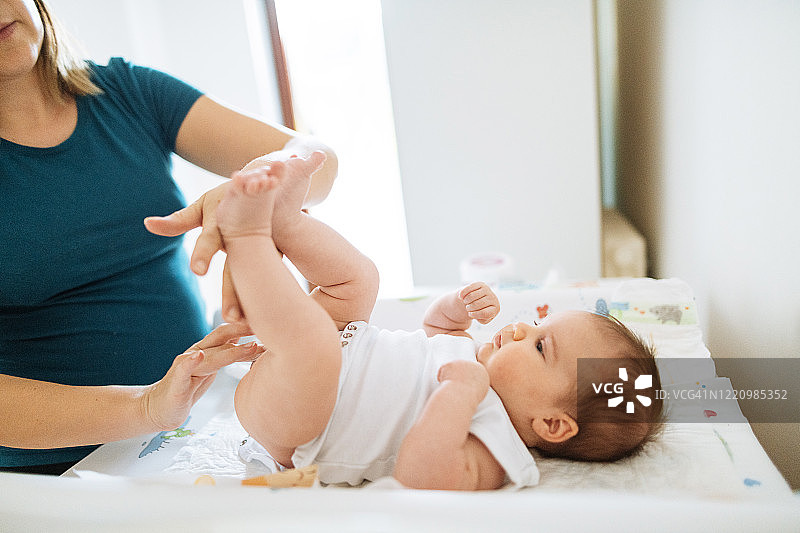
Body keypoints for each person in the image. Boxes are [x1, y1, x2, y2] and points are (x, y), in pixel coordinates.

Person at [0, 0, 336, 474]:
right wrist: (145, 407)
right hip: (57, 471)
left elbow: (315, 157)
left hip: (195, 426)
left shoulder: (126, 93)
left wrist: (263, 183)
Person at [215, 153, 665, 490]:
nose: (522, 330)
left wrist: (460, 393)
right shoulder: (473, 357)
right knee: (360, 280)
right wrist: (456, 309)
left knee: (312, 345)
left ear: (552, 424)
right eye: (536, 326)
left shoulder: (495, 446)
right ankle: (286, 222)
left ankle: (247, 236)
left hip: (299, 424)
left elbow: (420, 474)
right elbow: (432, 333)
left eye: (541, 347)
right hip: (341, 347)